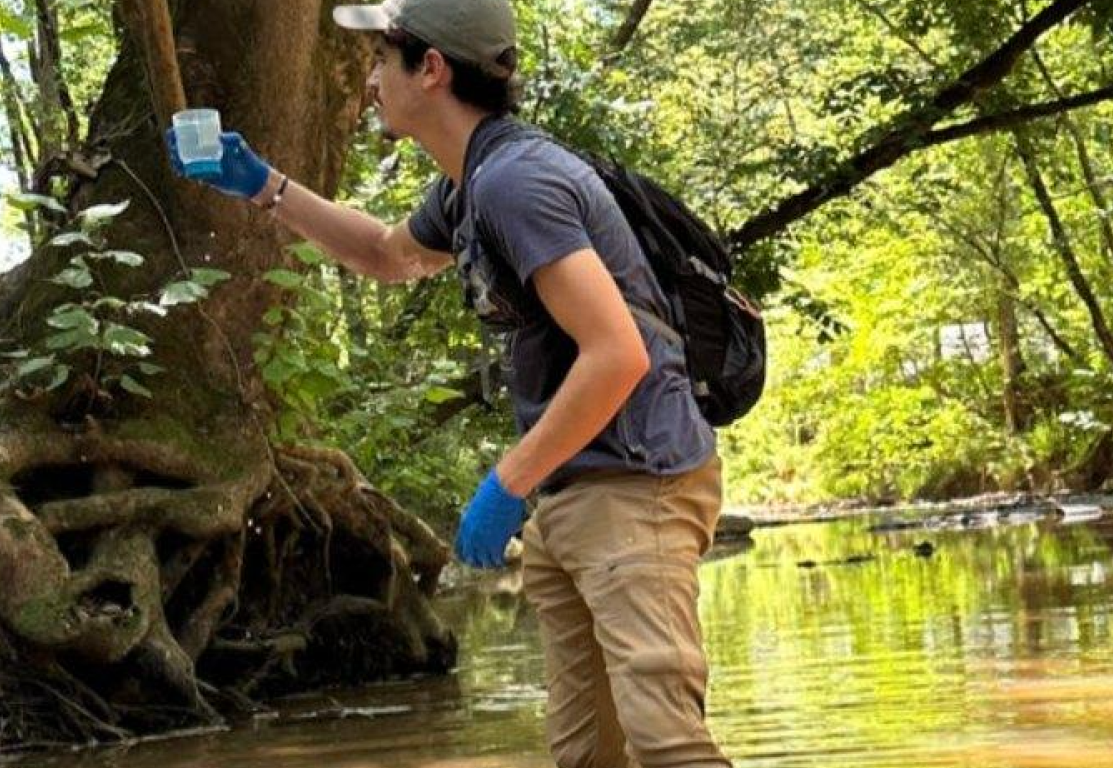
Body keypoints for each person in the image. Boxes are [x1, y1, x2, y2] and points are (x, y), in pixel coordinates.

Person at [165, 1, 731, 766]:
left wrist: (505, 481)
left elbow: (616, 353)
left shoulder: (515, 182)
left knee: (668, 748)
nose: (370, 81)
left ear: (429, 69)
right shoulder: (471, 183)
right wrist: (264, 184)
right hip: (574, 495)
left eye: (380, 60)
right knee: (586, 756)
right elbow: (386, 255)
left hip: (637, 487)